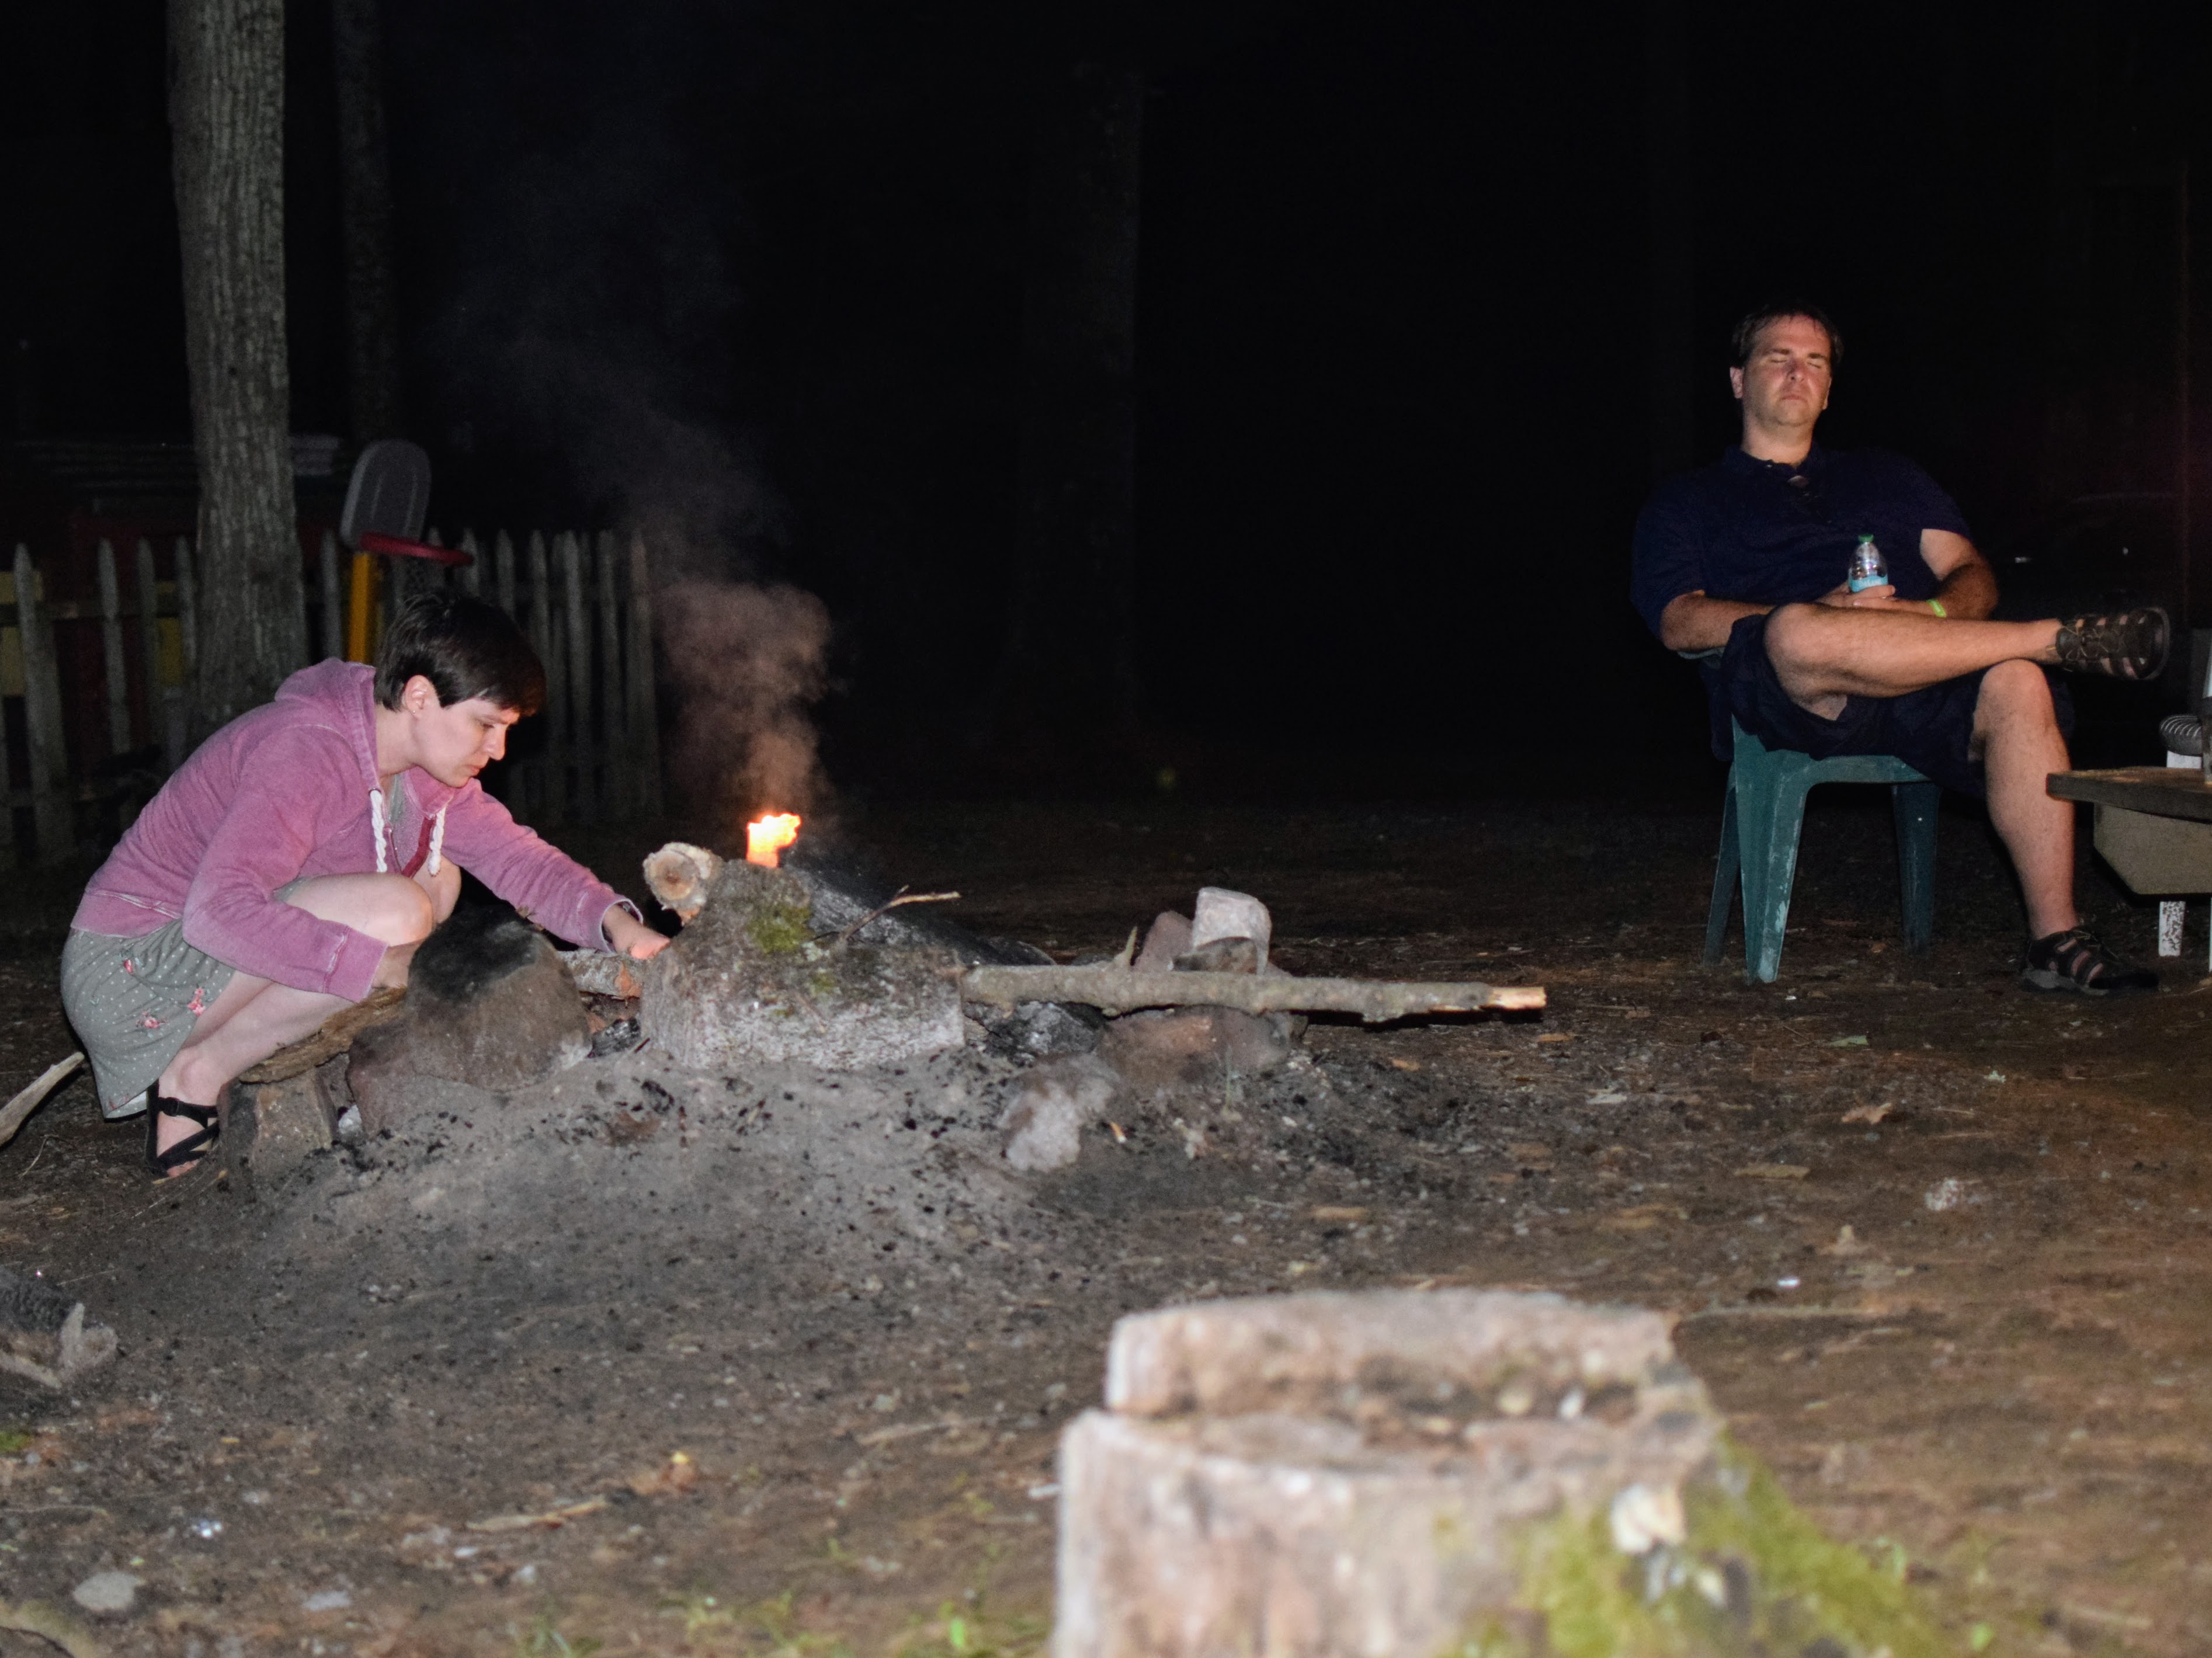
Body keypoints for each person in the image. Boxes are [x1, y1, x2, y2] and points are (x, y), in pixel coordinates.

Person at [1632, 301, 2168, 995]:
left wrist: (1932, 612)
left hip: (1929, 679)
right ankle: (2053, 641)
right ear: (1738, 381)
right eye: (1777, 357)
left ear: (1829, 389)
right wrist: (1818, 613)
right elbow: (1679, 620)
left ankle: (2055, 939)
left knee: (2016, 684)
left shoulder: (1886, 475)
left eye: (1815, 362)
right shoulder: (1687, 501)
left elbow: (1971, 573)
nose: (1798, 372)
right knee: (1794, 628)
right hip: (1802, 694)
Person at [61, 593, 671, 1177]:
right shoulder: (306, 750)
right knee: (398, 912)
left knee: (438, 880)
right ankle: (197, 1073)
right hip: (128, 973)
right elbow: (217, 911)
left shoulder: (426, 774)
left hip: (199, 964)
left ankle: (248, 1063)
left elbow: (522, 861)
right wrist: (380, 965)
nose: (499, 749)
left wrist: (621, 927)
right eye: (486, 724)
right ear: (420, 696)